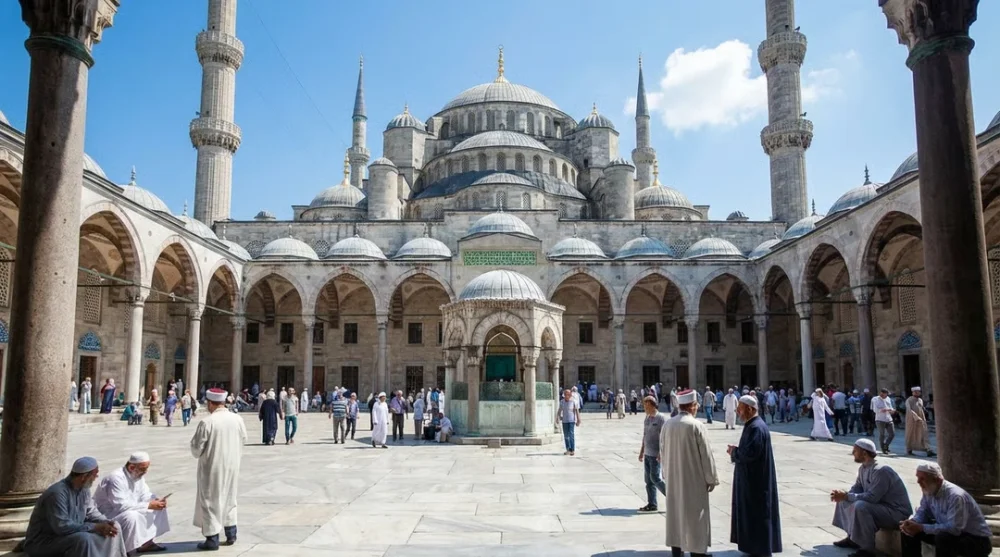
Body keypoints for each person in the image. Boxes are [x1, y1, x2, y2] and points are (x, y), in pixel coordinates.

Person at [21, 456, 127, 556]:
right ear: (84, 477)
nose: (96, 477)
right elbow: (62, 527)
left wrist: (106, 522)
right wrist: (95, 527)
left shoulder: (84, 490)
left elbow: (90, 512)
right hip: (44, 542)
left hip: (68, 535)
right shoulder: (57, 493)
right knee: (83, 539)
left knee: (115, 527)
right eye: (94, 474)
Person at [660, 389, 719, 557]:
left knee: (675, 515)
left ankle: (676, 550)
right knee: (695, 517)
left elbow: (662, 451)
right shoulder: (696, 426)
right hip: (694, 480)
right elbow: (706, 455)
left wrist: (666, 473)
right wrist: (711, 478)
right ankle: (697, 552)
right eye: (696, 405)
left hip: (674, 479)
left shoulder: (667, 424)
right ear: (692, 406)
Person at [830, 438, 913, 557]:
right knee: (844, 501)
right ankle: (852, 538)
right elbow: (857, 488)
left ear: (864, 453)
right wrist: (843, 495)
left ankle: (867, 549)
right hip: (881, 507)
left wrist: (847, 496)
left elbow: (872, 498)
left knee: (860, 506)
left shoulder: (881, 471)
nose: (853, 452)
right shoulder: (863, 468)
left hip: (896, 512)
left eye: (855, 450)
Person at [190, 388, 247, 550]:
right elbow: (244, 438)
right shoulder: (237, 419)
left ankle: (212, 538)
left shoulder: (208, 422)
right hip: (232, 465)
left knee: (210, 500)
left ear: (210, 403)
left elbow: (196, 449)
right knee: (230, 498)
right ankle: (231, 533)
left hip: (212, 467)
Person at [900, 462, 992, 557]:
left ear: (937, 480)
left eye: (922, 478)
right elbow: (923, 511)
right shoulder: (929, 489)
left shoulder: (956, 496)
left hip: (976, 540)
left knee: (943, 537)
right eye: (918, 477)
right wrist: (913, 522)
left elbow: (954, 529)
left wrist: (922, 527)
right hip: (952, 533)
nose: (918, 482)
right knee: (908, 532)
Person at [728, 395, 782, 556]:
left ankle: (759, 547)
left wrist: (734, 451)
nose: (738, 412)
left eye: (740, 408)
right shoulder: (752, 425)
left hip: (756, 482)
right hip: (752, 479)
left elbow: (750, 453)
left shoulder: (756, 427)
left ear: (750, 409)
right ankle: (752, 546)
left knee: (757, 514)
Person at [93, 451, 170, 555]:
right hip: (109, 516)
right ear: (132, 467)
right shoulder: (115, 478)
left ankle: (146, 543)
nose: (146, 471)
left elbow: (145, 494)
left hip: (130, 509)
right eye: (143, 469)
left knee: (157, 508)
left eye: (147, 468)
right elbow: (120, 506)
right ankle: (124, 550)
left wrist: (155, 500)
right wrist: (148, 505)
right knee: (132, 516)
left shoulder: (138, 476)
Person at [638, 396, 667, 513]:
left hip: (656, 454)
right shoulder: (647, 418)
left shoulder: (661, 418)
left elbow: (664, 437)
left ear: (652, 405)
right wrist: (641, 451)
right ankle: (652, 503)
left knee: (655, 478)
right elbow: (644, 435)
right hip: (647, 453)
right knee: (648, 481)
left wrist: (661, 452)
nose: (644, 407)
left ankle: (672, 497)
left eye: (646, 405)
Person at [904, 387, 935, 457]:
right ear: (913, 392)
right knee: (911, 435)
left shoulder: (920, 400)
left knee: (923, 434)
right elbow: (909, 410)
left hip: (921, 420)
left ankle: (928, 450)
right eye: (916, 392)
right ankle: (909, 449)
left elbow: (921, 408)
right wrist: (916, 417)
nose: (918, 393)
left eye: (919, 392)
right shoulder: (909, 400)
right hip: (912, 421)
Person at [871, 388, 896, 454]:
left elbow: (890, 407)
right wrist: (883, 410)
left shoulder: (888, 399)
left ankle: (886, 445)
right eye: (884, 395)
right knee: (882, 434)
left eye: (886, 395)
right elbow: (875, 410)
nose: (885, 396)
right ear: (881, 393)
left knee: (892, 434)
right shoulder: (875, 399)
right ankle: (883, 449)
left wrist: (892, 410)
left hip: (888, 418)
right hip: (880, 419)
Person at [558, 388, 581, 456]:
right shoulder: (562, 401)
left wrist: (578, 419)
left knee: (571, 435)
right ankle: (568, 449)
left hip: (571, 421)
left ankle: (572, 449)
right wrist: (558, 417)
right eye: (565, 394)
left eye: (568, 394)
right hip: (564, 421)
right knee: (566, 436)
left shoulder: (573, 402)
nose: (566, 396)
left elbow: (576, 411)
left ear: (570, 395)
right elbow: (559, 410)